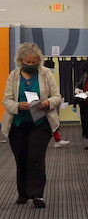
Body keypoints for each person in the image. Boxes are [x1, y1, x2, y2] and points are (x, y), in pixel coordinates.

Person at [2, 43, 62, 208]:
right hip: (18, 123)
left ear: (39, 61)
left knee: (36, 156)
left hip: (41, 122)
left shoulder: (46, 74)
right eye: (27, 62)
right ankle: (23, 193)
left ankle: (38, 195)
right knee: (21, 157)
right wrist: (18, 106)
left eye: (33, 62)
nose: (30, 65)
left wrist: (46, 102)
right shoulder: (13, 76)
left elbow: (57, 96)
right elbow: (6, 100)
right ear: (21, 61)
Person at [43, 59, 69, 148]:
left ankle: (57, 140)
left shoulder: (48, 77)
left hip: (49, 103)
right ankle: (57, 140)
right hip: (45, 104)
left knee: (53, 122)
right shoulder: (43, 77)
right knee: (50, 123)